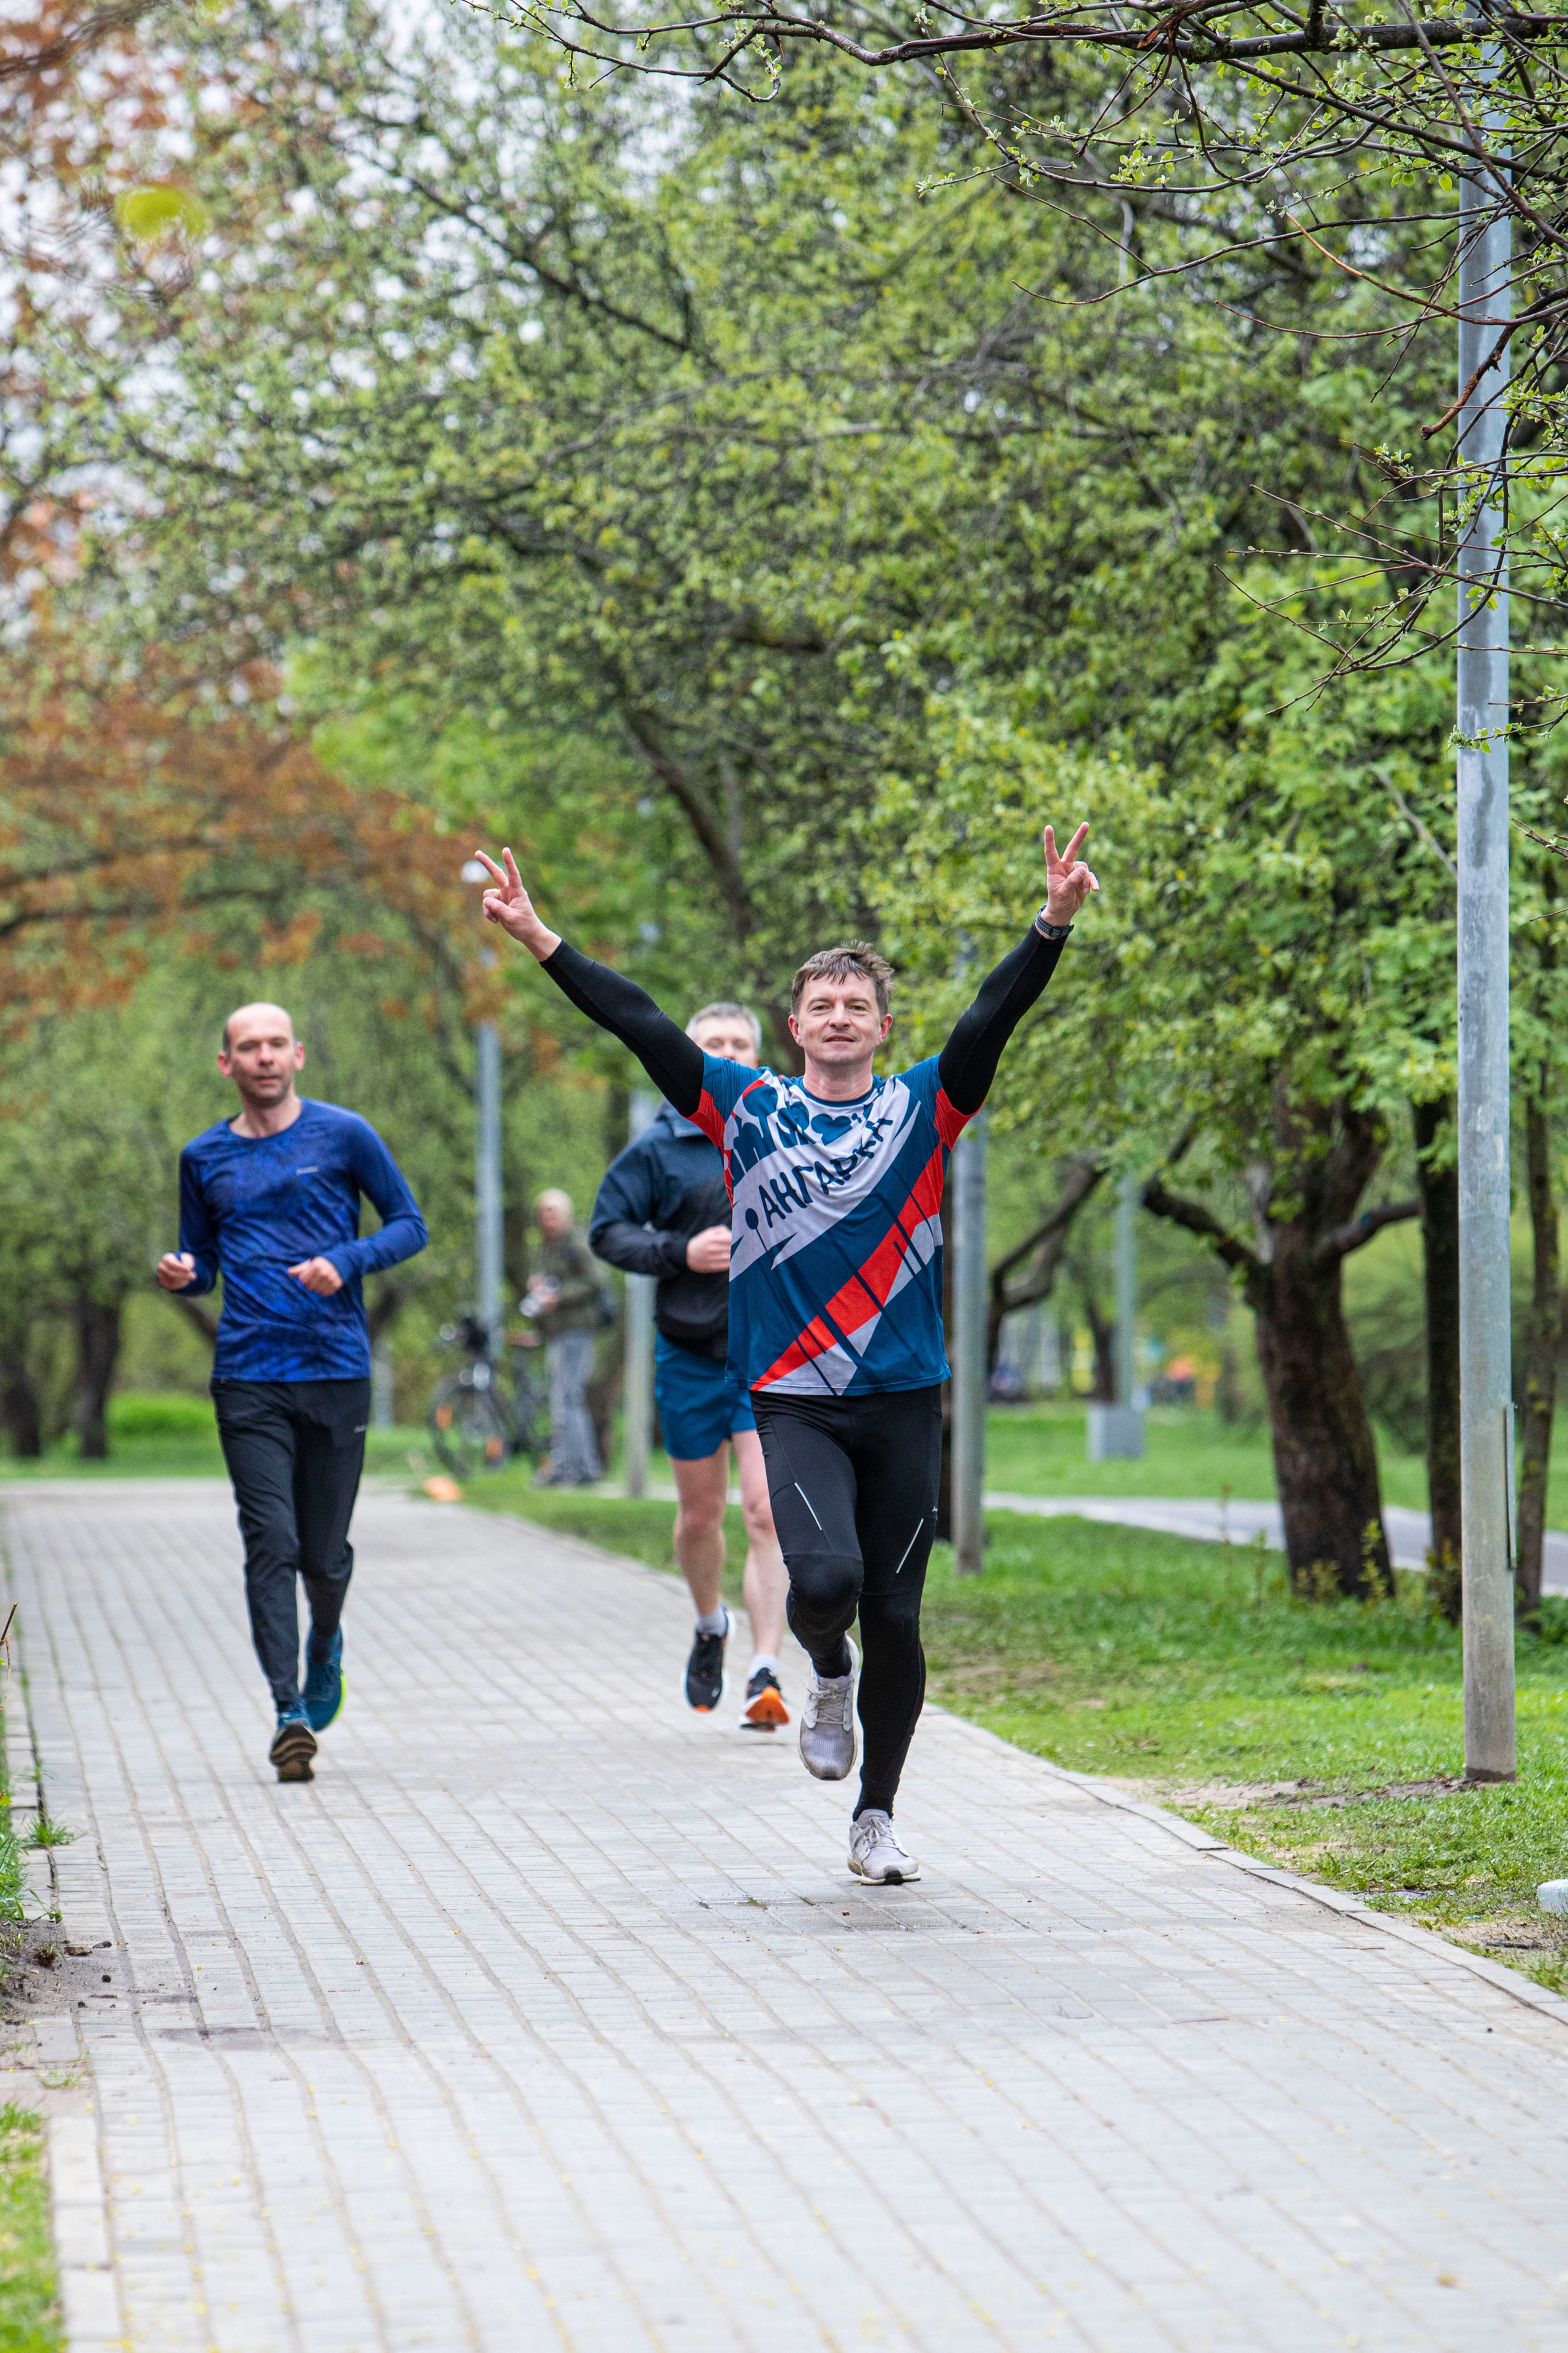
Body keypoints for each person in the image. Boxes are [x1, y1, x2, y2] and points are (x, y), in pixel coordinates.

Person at [474, 823, 1096, 1884]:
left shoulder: (927, 1105)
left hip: (906, 1396)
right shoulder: (742, 1107)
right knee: (825, 1579)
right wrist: (540, 938)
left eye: (858, 1005)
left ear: (883, 1025)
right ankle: (826, 1670)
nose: (840, 1017)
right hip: (794, 1395)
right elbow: (638, 1024)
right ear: (795, 1026)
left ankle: (876, 1816)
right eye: (822, 1005)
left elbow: (997, 1014)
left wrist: (1052, 925)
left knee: (900, 1613)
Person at [157, 1002, 428, 1785]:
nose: (264, 1057)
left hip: (336, 1369)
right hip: (247, 1373)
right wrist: (184, 1277)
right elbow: (200, 1260)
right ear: (227, 1064)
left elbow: (410, 1224)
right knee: (269, 1543)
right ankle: (288, 1712)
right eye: (249, 1047)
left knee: (324, 1554)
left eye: (276, 1044)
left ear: (299, 1054)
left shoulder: (344, 1135)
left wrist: (347, 1260)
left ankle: (326, 1642)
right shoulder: (202, 1156)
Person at [590, 1003, 790, 1729]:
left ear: (760, 1059)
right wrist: (679, 1253)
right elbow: (605, 1232)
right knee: (701, 1515)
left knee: (767, 1512)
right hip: (688, 1354)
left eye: (740, 1045)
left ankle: (766, 1669)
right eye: (712, 1045)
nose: (727, 1054)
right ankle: (712, 1624)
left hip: (769, 1355)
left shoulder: (782, 1129)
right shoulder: (657, 1147)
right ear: (690, 1057)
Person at [526, 1188, 603, 1487]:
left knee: (567, 1398)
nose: (548, 1218)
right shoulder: (546, 1247)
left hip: (578, 1330)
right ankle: (581, 1466)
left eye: (554, 1212)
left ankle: (571, 1467)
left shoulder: (575, 1243)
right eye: (544, 1212)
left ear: (565, 1214)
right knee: (566, 1398)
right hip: (556, 1331)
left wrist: (560, 1296)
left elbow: (596, 1281)